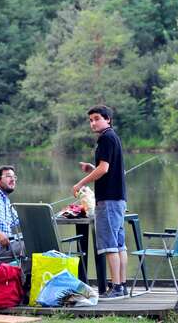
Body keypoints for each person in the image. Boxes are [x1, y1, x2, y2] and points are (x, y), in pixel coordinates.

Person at [73, 105, 128, 300]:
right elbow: (105, 168)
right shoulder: (112, 137)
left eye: (96, 118)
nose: (93, 123)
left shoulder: (105, 138)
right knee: (120, 245)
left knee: (109, 245)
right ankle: (121, 285)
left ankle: (116, 288)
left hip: (108, 201)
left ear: (108, 119)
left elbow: (104, 169)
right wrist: (91, 169)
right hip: (118, 199)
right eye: (90, 120)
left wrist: (80, 183)